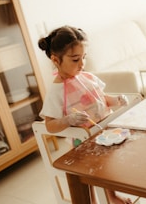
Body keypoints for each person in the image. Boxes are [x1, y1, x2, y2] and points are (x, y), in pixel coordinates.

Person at [38, 25, 132, 204]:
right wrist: (68, 120)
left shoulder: (87, 77)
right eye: (75, 59)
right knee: (87, 181)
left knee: (108, 172)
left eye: (84, 58)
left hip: (104, 135)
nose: (81, 64)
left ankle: (111, 197)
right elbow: (50, 125)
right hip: (83, 145)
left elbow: (101, 99)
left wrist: (117, 100)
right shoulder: (56, 91)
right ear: (56, 60)